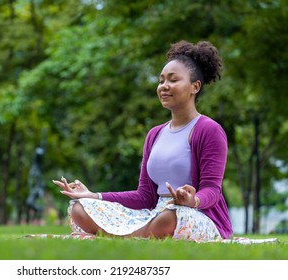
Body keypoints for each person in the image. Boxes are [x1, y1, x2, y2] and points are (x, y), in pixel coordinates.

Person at [53, 40, 233, 242]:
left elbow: (212, 190)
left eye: (173, 80)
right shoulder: (155, 134)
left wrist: (193, 200)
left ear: (195, 86)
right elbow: (144, 196)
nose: (164, 86)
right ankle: (139, 234)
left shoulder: (209, 130)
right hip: (154, 215)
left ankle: (122, 235)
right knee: (80, 207)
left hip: (193, 215)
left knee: (170, 218)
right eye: (161, 80)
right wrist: (94, 196)